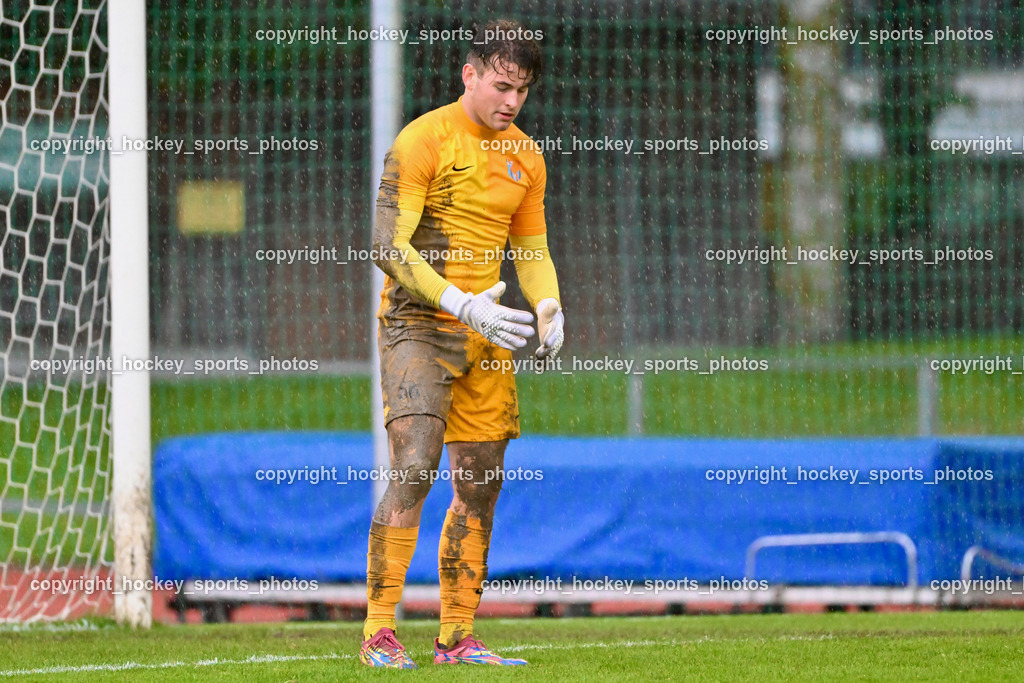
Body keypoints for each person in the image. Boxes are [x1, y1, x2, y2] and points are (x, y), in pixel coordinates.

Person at [359, 18, 564, 669]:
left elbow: (531, 249)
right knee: (416, 463)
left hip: (489, 331)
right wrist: (459, 302)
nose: (512, 101)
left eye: (523, 90)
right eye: (502, 86)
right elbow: (386, 246)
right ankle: (378, 632)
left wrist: (549, 305)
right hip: (419, 324)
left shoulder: (527, 156)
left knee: (480, 483)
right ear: (469, 74)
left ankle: (457, 636)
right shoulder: (423, 139)